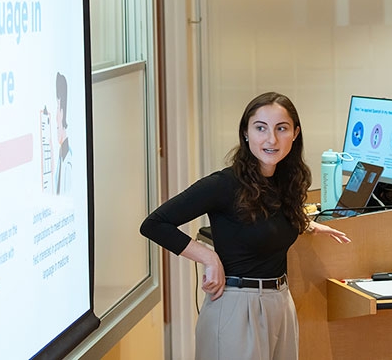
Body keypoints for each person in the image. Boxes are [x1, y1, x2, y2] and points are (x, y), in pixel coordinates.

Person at [140, 92, 351, 360]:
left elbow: (266, 220)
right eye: (260, 128)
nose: (271, 139)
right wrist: (209, 257)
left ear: (295, 134)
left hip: (281, 302)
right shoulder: (222, 184)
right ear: (246, 133)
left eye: (281, 128)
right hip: (236, 307)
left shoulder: (285, 180)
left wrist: (307, 225)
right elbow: (154, 224)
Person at [55, 72, 72, 195]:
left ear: (63, 111)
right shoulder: (61, 157)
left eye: (57, 107)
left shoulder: (69, 163)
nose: (55, 116)